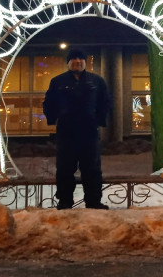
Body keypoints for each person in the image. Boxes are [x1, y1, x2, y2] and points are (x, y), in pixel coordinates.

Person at [43, 48, 111, 210]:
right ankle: (65, 201)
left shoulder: (97, 81)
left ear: (85, 62)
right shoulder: (57, 81)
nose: (77, 62)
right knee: (65, 168)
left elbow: (106, 102)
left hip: (89, 131)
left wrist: (99, 120)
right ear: (68, 63)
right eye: (74, 59)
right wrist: (53, 119)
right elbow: (48, 103)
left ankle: (93, 202)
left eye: (80, 59)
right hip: (66, 131)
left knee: (92, 168)